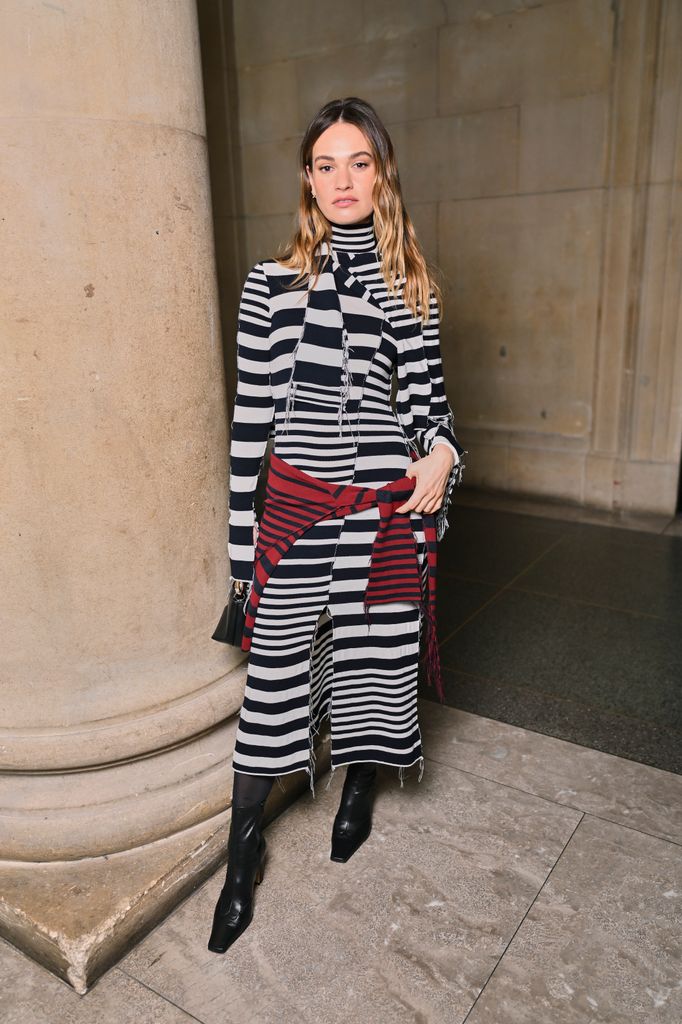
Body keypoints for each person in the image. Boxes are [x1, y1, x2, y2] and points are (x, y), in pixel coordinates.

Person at [208, 96, 466, 954]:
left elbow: (430, 411)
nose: (342, 179)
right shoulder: (270, 284)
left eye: (359, 162)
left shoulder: (414, 289)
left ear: (381, 173)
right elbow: (250, 427)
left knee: (375, 665)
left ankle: (360, 785)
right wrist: (243, 565)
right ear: (308, 180)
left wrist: (441, 456)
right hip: (294, 513)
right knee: (272, 687)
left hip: (386, 513)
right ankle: (241, 854)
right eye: (326, 164)